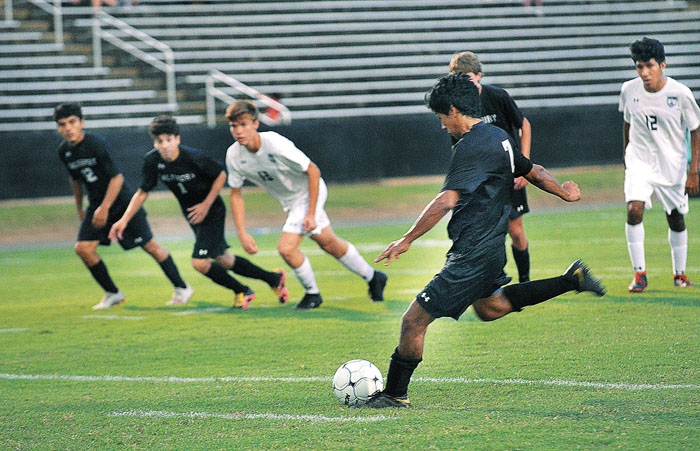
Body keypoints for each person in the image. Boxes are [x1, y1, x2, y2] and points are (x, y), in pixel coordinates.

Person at [356, 73, 605, 409]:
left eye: (442, 117)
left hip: (473, 254)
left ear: (454, 110)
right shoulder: (499, 137)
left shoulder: (471, 146)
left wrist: (407, 239)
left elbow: (446, 200)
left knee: (413, 321)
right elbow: (533, 170)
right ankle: (571, 280)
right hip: (489, 248)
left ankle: (395, 394)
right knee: (491, 308)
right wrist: (565, 193)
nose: (442, 125)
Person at [109, 115, 288, 310]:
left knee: (199, 262)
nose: (165, 145)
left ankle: (242, 290)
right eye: (160, 141)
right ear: (155, 143)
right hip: (193, 215)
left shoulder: (193, 157)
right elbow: (142, 192)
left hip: (211, 211)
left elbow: (220, 175)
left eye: (169, 139)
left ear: (177, 139)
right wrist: (123, 220)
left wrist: (205, 205)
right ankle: (274, 278)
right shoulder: (153, 160)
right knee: (224, 260)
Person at [224, 100, 387, 309]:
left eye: (243, 124)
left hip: (309, 193)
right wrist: (242, 233)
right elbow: (236, 194)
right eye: (233, 126)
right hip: (290, 202)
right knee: (329, 243)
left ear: (255, 124)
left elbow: (313, 171)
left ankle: (313, 294)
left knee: (286, 248)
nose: (238, 131)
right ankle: (374, 277)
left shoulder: (274, 143)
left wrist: (311, 213)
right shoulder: (234, 155)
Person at [53, 104, 192, 310]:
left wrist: (105, 208)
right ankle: (113, 293)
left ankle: (182, 287)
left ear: (82, 123)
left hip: (122, 204)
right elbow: (75, 180)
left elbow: (117, 178)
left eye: (72, 122)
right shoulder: (64, 151)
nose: (68, 128)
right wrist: (80, 207)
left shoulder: (96, 144)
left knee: (150, 246)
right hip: (97, 206)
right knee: (83, 248)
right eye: (62, 124)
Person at [619, 37, 700, 292]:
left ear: (662, 65)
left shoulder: (680, 94)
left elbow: (696, 129)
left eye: (649, 66)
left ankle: (680, 275)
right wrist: (627, 156)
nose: (644, 72)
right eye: (639, 67)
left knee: (675, 218)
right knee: (634, 210)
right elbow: (627, 123)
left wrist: (694, 170)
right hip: (639, 160)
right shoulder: (629, 90)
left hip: (671, 164)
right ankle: (639, 275)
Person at [449, 51, 533, 283]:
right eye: (457, 79)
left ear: (479, 76)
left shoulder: (497, 96)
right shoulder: (457, 108)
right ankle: (496, 280)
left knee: (516, 231)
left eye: (467, 78)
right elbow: (457, 146)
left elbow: (524, 125)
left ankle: (525, 281)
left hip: (509, 172)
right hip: (482, 180)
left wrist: (524, 166)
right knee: (488, 232)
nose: (463, 84)